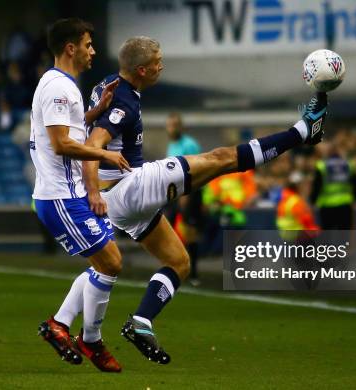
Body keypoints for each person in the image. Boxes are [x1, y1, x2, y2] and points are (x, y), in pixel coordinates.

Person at [83, 36, 328, 364]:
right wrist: (92, 191)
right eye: (157, 61)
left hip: (122, 200)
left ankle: (141, 321)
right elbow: (95, 143)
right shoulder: (124, 100)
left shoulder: (107, 86)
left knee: (179, 263)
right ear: (141, 70)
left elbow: (88, 128)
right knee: (222, 158)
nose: (162, 65)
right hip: (128, 186)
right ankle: (302, 132)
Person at [30, 18, 129, 373]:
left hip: (64, 194)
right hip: (61, 196)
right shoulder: (59, 87)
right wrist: (103, 154)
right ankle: (90, 340)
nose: (93, 52)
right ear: (71, 48)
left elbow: (65, 130)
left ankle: (60, 324)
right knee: (112, 262)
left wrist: (94, 112)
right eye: (88, 45)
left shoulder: (59, 84)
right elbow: (60, 144)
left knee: (103, 265)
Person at [164, 112, 203, 285]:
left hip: (190, 192)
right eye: (169, 125)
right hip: (175, 193)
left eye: (174, 125)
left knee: (190, 232)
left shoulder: (190, 144)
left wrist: (187, 195)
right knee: (168, 229)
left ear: (180, 126)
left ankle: (193, 273)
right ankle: (173, 268)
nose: (171, 128)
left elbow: (196, 170)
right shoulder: (172, 145)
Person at [310, 141, 356, 229]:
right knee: (344, 236)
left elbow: (317, 186)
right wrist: (355, 198)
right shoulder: (348, 164)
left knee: (327, 237)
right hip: (345, 205)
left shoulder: (322, 166)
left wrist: (312, 201)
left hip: (326, 206)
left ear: (327, 152)